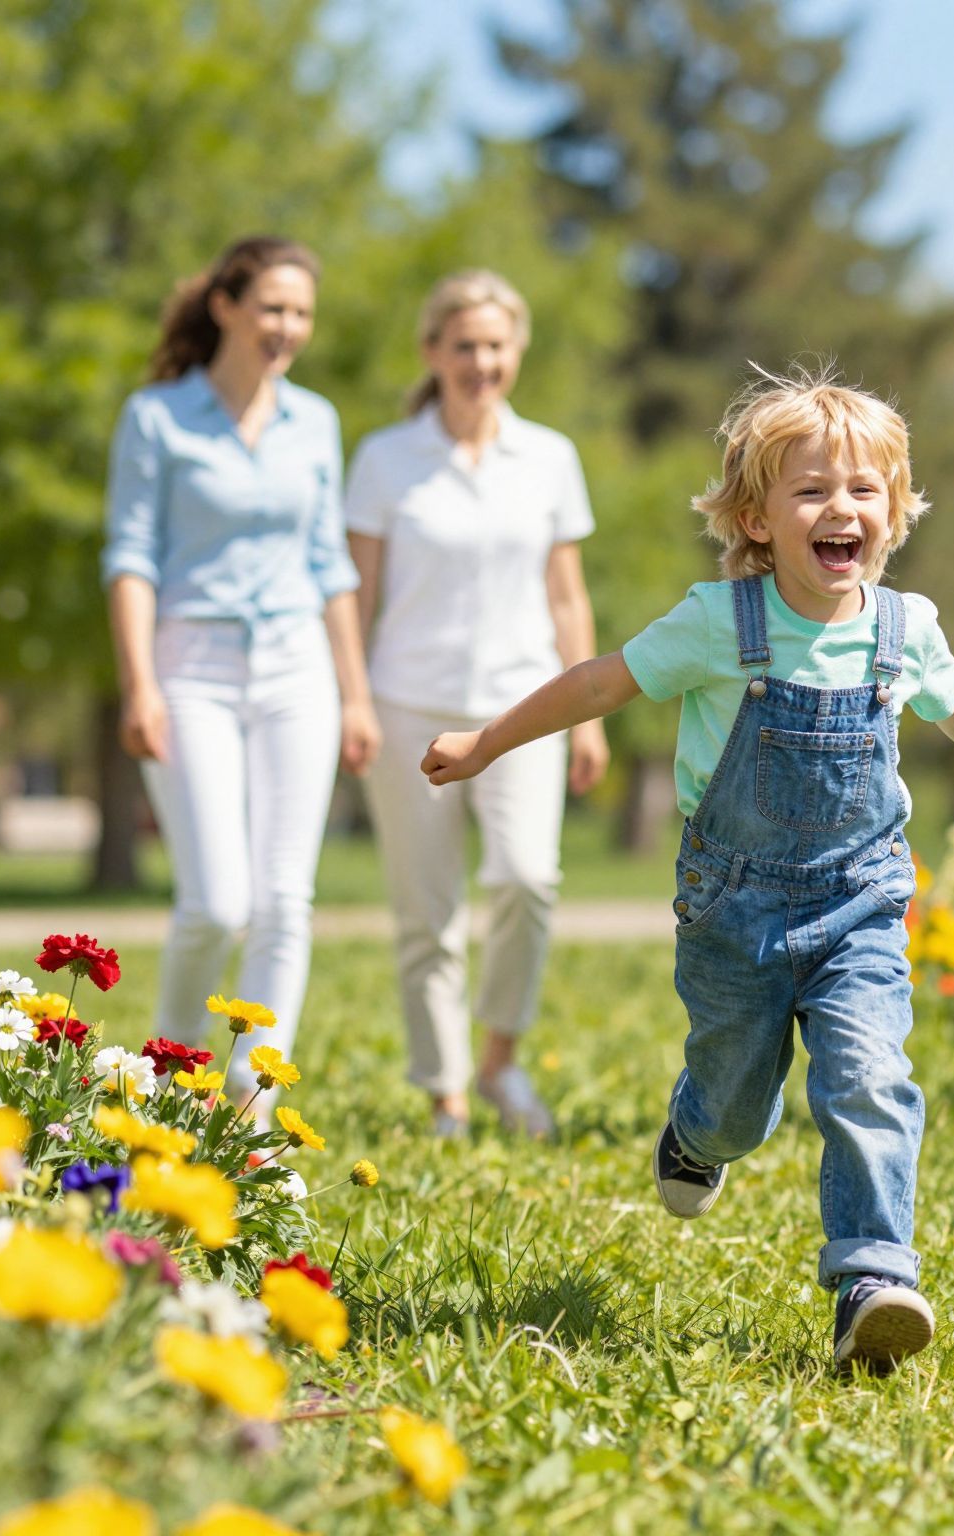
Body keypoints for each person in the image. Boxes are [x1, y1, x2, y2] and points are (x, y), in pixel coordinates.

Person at [419, 369, 954, 1374]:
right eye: (813, 490)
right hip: (733, 910)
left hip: (860, 900)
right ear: (755, 516)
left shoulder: (902, 630)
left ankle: (871, 1279)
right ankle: (697, 1132)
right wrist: (488, 741)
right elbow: (599, 679)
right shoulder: (717, 623)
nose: (842, 510)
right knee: (736, 1100)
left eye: (864, 490)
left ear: (894, 511)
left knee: (870, 1078)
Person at [102, 236, 378, 1119]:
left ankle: (251, 1108)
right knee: (216, 903)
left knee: (283, 901)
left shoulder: (317, 422)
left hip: (299, 665)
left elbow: (329, 563)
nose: (286, 328)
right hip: (192, 665)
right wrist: (139, 684)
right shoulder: (157, 418)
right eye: (271, 308)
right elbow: (131, 558)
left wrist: (355, 692)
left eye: (300, 313)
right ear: (225, 306)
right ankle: (168, 1077)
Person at [345, 271, 606, 1139]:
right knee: (427, 913)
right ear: (433, 353)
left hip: (519, 707)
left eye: (496, 346)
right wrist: (354, 701)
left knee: (529, 879)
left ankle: (498, 1063)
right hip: (406, 704)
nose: (481, 362)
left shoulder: (550, 458)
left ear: (516, 352)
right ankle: (444, 1090)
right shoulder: (385, 459)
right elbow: (358, 592)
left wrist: (589, 714)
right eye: (464, 346)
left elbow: (567, 597)